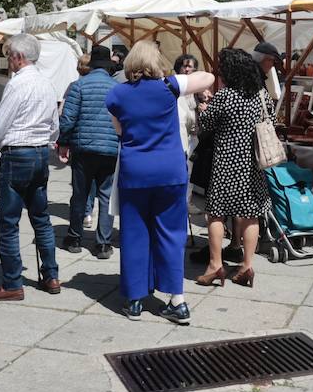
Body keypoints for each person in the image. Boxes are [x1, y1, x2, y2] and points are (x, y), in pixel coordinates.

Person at [109, 41, 214, 323]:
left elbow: (119, 130)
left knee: (134, 234)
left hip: (136, 172)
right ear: (156, 62)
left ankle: (134, 300)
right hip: (170, 171)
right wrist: (175, 79)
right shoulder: (169, 87)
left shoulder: (117, 93)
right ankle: (177, 301)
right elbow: (209, 78)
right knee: (171, 233)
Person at [0, 33, 61, 302]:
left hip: (18, 154)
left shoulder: (18, 84)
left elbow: (1, 120)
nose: (9, 61)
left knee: (8, 222)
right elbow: (54, 125)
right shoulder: (46, 82)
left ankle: (11, 283)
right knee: (41, 218)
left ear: (19, 57)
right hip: (41, 153)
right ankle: (51, 275)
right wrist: (48, 142)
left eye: (9, 56)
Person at [195, 48, 274, 288]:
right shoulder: (261, 94)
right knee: (251, 215)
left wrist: (203, 108)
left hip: (226, 162)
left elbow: (206, 125)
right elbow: (270, 117)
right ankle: (247, 266)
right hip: (253, 163)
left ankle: (215, 265)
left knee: (216, 213)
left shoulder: (225, 96)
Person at [59, 45, 120, 258]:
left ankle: (74, 238)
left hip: (83, 149)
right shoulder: (117, 87)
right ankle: (102, 244)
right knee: (106, 196)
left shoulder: (78, 86)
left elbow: (67, 120)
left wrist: (63, 142)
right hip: (111, 150)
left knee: (80, 194)